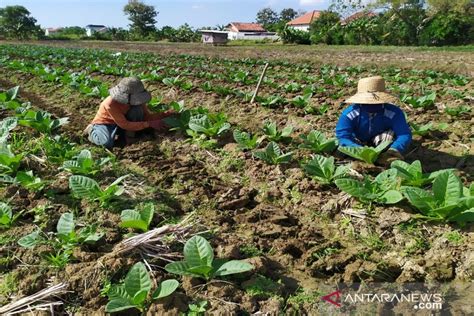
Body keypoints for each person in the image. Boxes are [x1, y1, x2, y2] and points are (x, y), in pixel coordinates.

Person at [335, 76, 412, 165]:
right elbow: (343, 137)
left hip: (383, 143)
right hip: (358, 142)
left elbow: (404, 134)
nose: (371, 105)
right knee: (341, 148)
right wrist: (361, 151)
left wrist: (395, 149)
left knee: (389, 137)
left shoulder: (394, 113)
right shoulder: (349, 114)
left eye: (375, 102)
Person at [84, 77, 173, 148]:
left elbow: (146, 117)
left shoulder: (138, 102)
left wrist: (165, 115)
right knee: (106, 143)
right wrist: (149, 124)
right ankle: (91, 130)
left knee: (137, 110)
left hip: (123, 123)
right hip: (106, 123)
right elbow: (125, 124)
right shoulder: (110, 104)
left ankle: (129, 137)